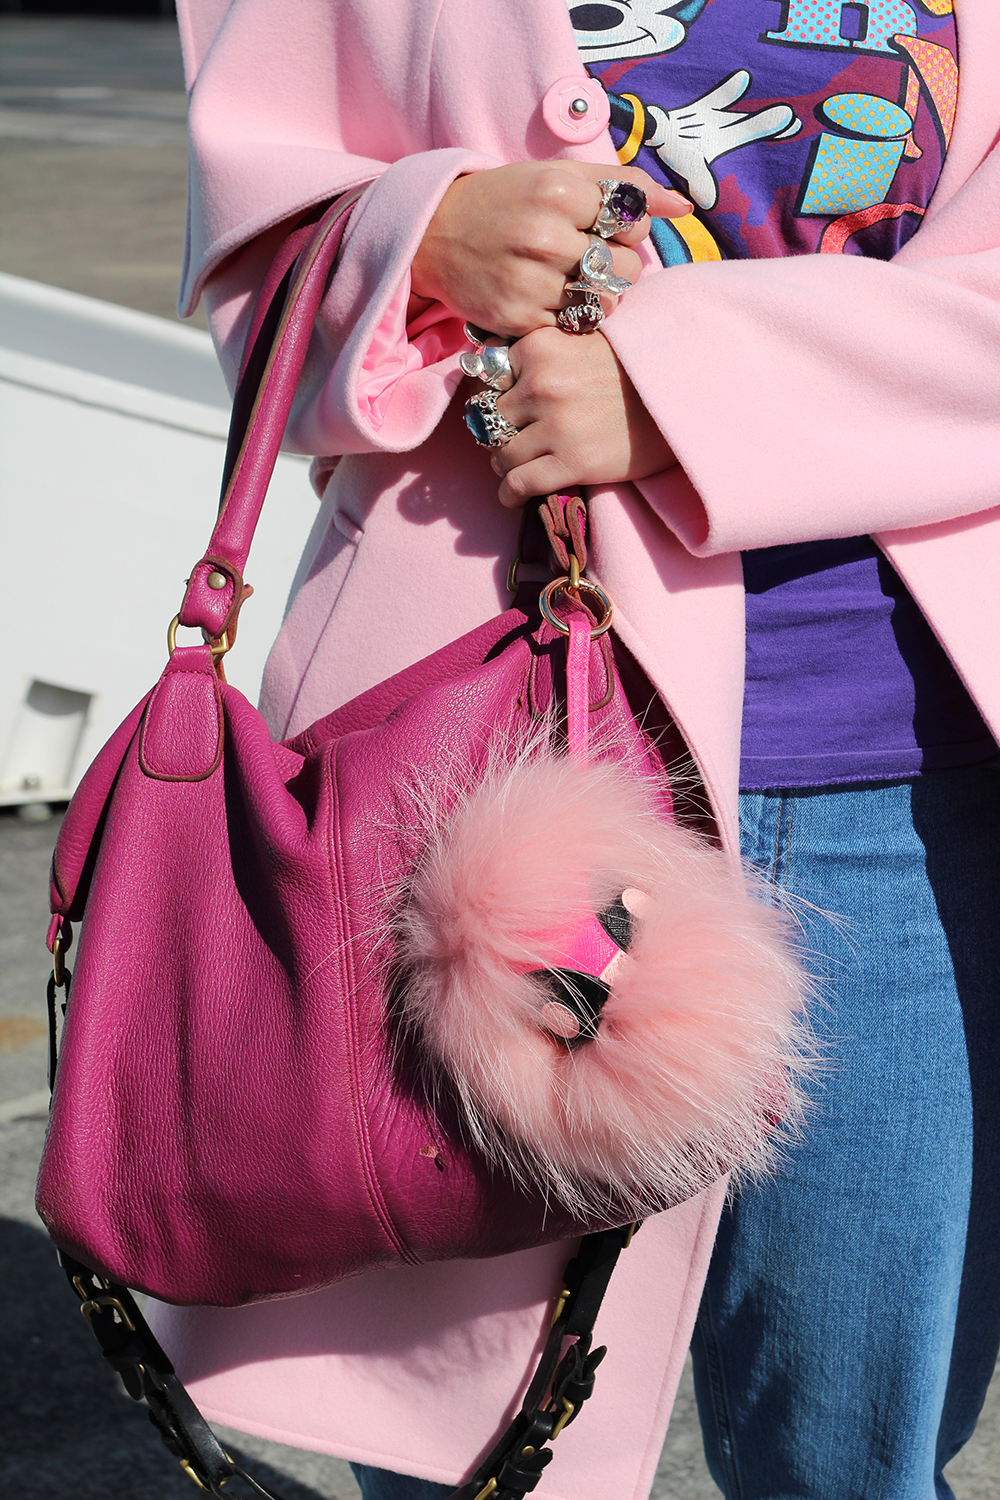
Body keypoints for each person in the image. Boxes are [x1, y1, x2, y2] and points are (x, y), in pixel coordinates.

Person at [150, 1, 1000, 1496]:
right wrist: (418, 240)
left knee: (855, 1456)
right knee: (471, 1451)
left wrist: (690, 390)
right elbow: (256, 265)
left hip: (912, 766)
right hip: (477, 761)